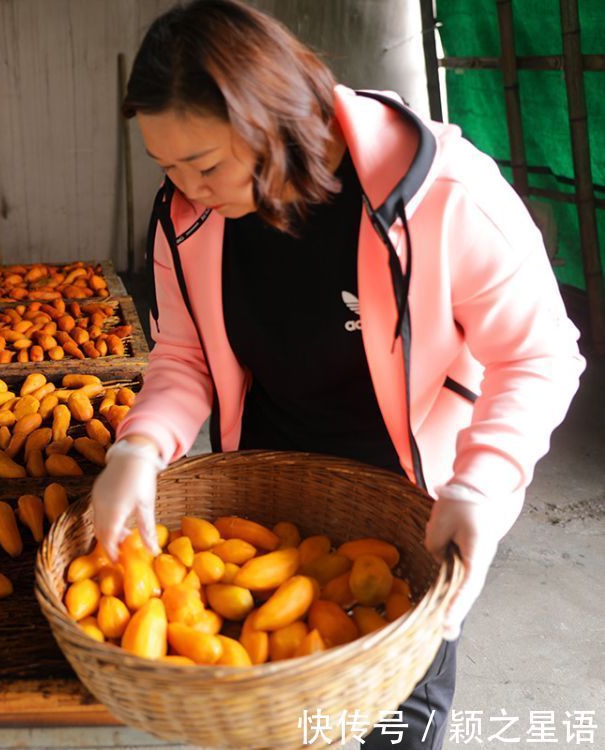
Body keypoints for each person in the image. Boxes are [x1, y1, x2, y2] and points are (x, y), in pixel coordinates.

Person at [90, 1, 585, 747]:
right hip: (268, 485)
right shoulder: (188, 218)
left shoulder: (441, 192)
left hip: (411, 492)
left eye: (206, 164)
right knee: (273, 697)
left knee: (399, 703)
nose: (188, 189)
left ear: (274, 121)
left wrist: (482, 483)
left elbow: (538, 354)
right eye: (167, 168)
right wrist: (140, 445)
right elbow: (183, 354)